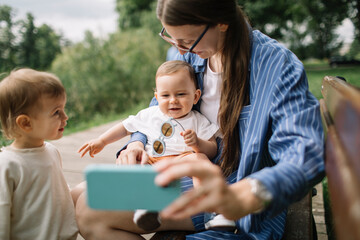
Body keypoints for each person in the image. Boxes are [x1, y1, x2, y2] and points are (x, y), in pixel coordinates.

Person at [75, 0, 325, 239]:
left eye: (188, 40)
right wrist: (136, 143)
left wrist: (249, 193)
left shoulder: (276, 65)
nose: (179, 49)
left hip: (233, 195)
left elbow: (306, 153)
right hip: (183, 172)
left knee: (91, 208)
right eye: (171, 37)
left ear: (222, 22)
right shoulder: (187, 55)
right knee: (81, 195)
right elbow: (157, 109)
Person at [77, 60, 221, 231]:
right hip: (152, 161)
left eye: (181, 94)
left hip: (181, 161)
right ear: (157, 96)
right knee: (134, 166)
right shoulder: (150, 114)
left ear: (195, 96)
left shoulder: (197, 120)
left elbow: (213, 149)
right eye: (166, 96)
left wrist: (198, 143)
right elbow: (125, 127)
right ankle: (144, 208)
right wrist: (102, 140)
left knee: (200, 158)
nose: (173, 101)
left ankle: (210, 206)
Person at [0, 68, 78, 240]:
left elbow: (58, 194)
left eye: (63, 109)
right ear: (26, 123)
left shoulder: (51, 151)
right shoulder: (8, 164)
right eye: (56, 112)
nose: (65, 117)